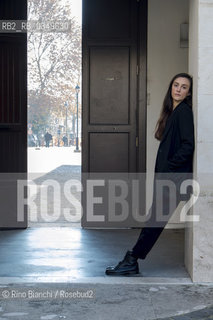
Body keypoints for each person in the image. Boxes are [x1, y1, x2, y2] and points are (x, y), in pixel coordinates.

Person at [105, 73, 195, 276]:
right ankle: (132, 260)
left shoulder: (184, 112)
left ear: (189, 93)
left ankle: (131, 260)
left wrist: (169, 168)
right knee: (154, 221)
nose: (179, 89)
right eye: (176, 85)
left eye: (184, 87)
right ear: (171, 87)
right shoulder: (173, 112)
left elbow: (188, 146)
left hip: (173, 178)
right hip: (167, 177)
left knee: (154, 221)